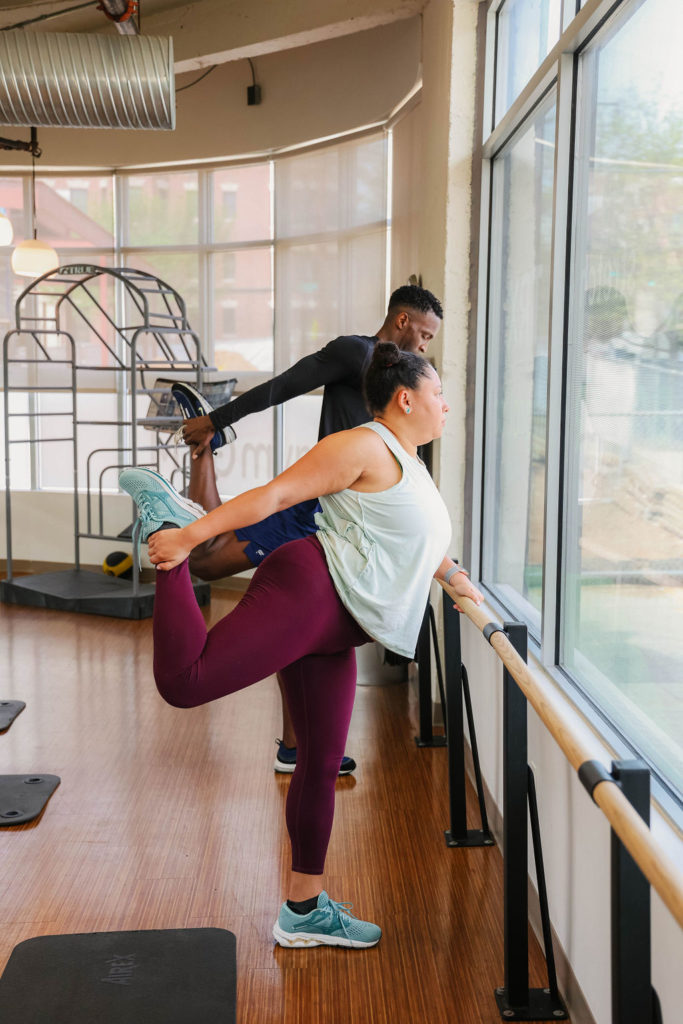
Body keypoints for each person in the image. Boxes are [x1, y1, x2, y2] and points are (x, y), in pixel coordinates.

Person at [120, 342, 483, 949]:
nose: (446, 404)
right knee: (184, 684)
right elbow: (277, 496)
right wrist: (188, 538)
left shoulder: (409, 461)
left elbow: (407, 538)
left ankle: (303, 910)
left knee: (319, 762)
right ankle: (164, 533)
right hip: (312, 592)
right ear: (406, 398)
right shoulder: (362, 445)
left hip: (337, 626)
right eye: (439, 393)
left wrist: (451, 575)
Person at [172, 284, 444, 775]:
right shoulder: (354, 354)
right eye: (423, 334)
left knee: (307, 627)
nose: (424, 347)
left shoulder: (405, 391)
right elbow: (283, 386)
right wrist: (217, 418)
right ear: (401, 321)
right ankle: (204, 445)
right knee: (207, 563)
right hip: (315, 511)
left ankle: (298, 747)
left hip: (350, 520)